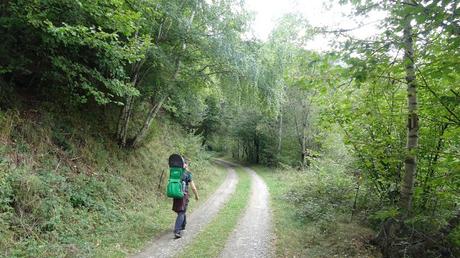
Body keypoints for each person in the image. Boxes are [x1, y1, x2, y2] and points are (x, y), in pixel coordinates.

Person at [172, 159, 199, 238]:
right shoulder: (187, 174)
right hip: (183, 195)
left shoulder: (175, 172)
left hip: (175, 194)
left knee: (181, 210)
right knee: (182, 212)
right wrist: (196, 196)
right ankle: (177, 231)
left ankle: (183, 225)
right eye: (186, 164)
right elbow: (193, 187)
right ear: (185, 165)